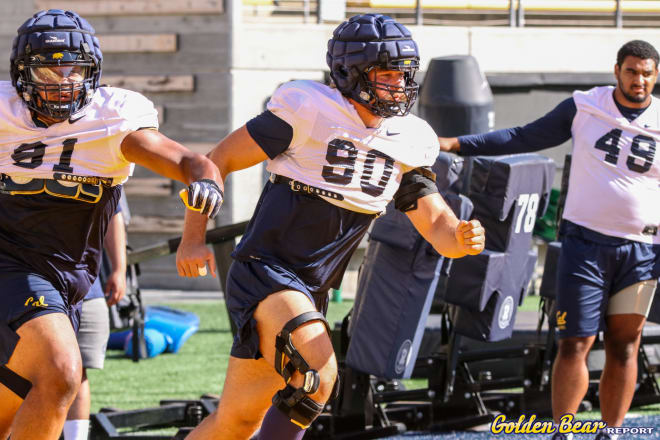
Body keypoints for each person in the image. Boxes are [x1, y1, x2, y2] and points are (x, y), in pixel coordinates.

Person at [176, 13, 486, 440]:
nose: (399, 84)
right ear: (349, 72)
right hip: (265, 271)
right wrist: (193, 237)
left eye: (404, 74)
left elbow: (437, 226)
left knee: (236, 421)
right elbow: (217, 161)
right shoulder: (309, 110)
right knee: (316, 377)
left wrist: (462, 238)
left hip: (310, 290)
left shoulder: (409, 139)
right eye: (386, 73)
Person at [0, 9, 223, 440]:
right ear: (23, 74)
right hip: (10, 263)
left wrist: (202, 199)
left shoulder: (112, 120)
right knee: (64, 371)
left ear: (92, 73)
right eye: (48, 68)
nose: (62, 80)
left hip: (69, 277)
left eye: (74, 69)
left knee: (25, 393)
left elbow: (191, 163)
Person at [438, 40, 660, 440]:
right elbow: (525, 136)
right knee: (575, 340)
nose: (638, 80)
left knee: (625, 344)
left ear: (655, 76)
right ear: (617, 71)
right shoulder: (586, 106)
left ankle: (611, 431)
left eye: (646, 73)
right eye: (631, 71)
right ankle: (564, 430)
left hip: (641, 251)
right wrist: (458, 144)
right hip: (585, 244)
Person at [63, 205, 126, 440]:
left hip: (85, 288)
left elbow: (113, 212)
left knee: (77, 371)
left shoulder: (96, 169)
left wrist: (120, 269)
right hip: (25, 284)